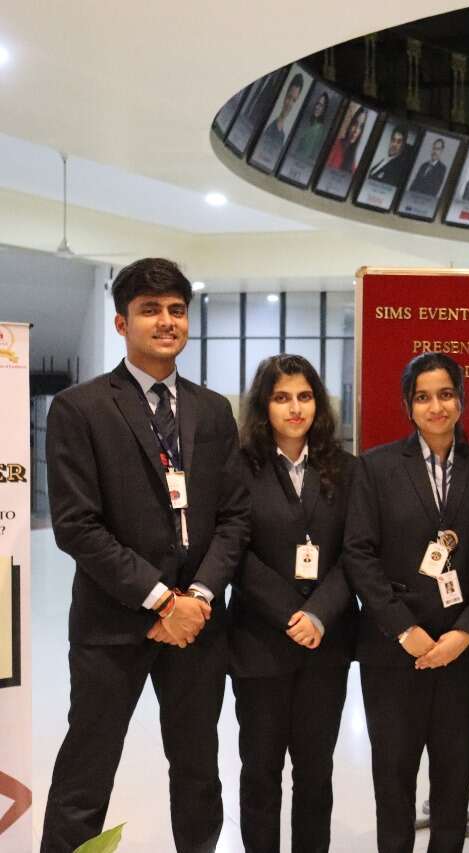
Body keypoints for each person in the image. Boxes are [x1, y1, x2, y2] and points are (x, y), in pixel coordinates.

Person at [41, 258, 251, 853]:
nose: (166, 321)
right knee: (86, 772)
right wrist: (162, 600)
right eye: (150, 310)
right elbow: (77, 525)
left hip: (197, 626)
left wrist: (198, 597)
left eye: (176, 310)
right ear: (121, 322)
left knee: (199, 770)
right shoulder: (80, 407)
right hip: (113, 622)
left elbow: (234, 516)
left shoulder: (212, 410)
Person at [344, 353, 469, 853]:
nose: (436, 407)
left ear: (461, 400)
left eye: (446, 394)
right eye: (423, 397)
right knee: (393, 777)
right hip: (393, 650)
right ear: (408, 406)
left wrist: (466, 632)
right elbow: (359, 554)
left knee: (454, 775)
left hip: (461, 649)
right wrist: (404, 629)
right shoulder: (375, 467)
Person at [229, 354, 356, 853]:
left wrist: (319, 613)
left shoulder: (346, 469)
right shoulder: (238, 468)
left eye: (304, 396)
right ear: (264, 406)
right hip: (260, 643)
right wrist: (291, 613)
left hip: (327, 643)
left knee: (315, 773)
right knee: (260, 772)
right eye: (281, 398)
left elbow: (357, 553)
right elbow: (233, 551)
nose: (295, 408)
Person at [257, 73, 305, 159]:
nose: (289, 103)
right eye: (289, 97)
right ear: (285, 96)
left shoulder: (283, 136)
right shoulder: (268, 125)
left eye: (294, 100)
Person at [290, 90, 331, 167]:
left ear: (324, 109)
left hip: (299, 165)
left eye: (321, 106)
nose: (317, 107)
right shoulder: (312, 125)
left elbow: (306, 155)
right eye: (317, 104)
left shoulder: (318, 129)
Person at [325, 106, 367, 174]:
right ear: (351, 124)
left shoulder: (356, 159)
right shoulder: (334, 144)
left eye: (361, 127)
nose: (356, 130)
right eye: (355, 124)